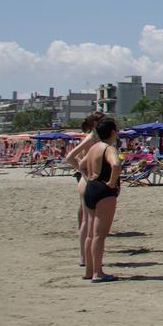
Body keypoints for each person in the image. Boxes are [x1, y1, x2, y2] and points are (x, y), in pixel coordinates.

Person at [77, 117, 122, 282]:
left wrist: (90, 177)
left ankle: (89, 270)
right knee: (99, 235)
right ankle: (98, 272)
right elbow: (116, 165)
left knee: (90, 233)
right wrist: (111, 183)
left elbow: (81, 165)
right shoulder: (108, 148)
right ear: (112, 132)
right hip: (104, 191)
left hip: (91, 188)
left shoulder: (93, 147)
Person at [64, 113, 104, 270]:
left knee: (88, 220)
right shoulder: (91, 138)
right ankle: (84, 257)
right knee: (88, 221)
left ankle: (86, 257)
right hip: (87, 181)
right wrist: (84, 172)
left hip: (88, 181)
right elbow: (69, 157)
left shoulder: (95, 138)